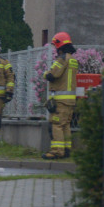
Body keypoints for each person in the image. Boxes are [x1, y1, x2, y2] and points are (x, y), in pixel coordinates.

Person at [43, 31, 78, 159]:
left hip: (60, 100)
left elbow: (53, 75)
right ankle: (66, 150)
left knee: (56, 124)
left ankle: (57, 151)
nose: (55, 49)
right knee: (66, 125)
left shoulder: (62, 59)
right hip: (70, 101)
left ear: (59, 45)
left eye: (55, 46)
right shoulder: (73, 60)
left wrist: (46, 73)